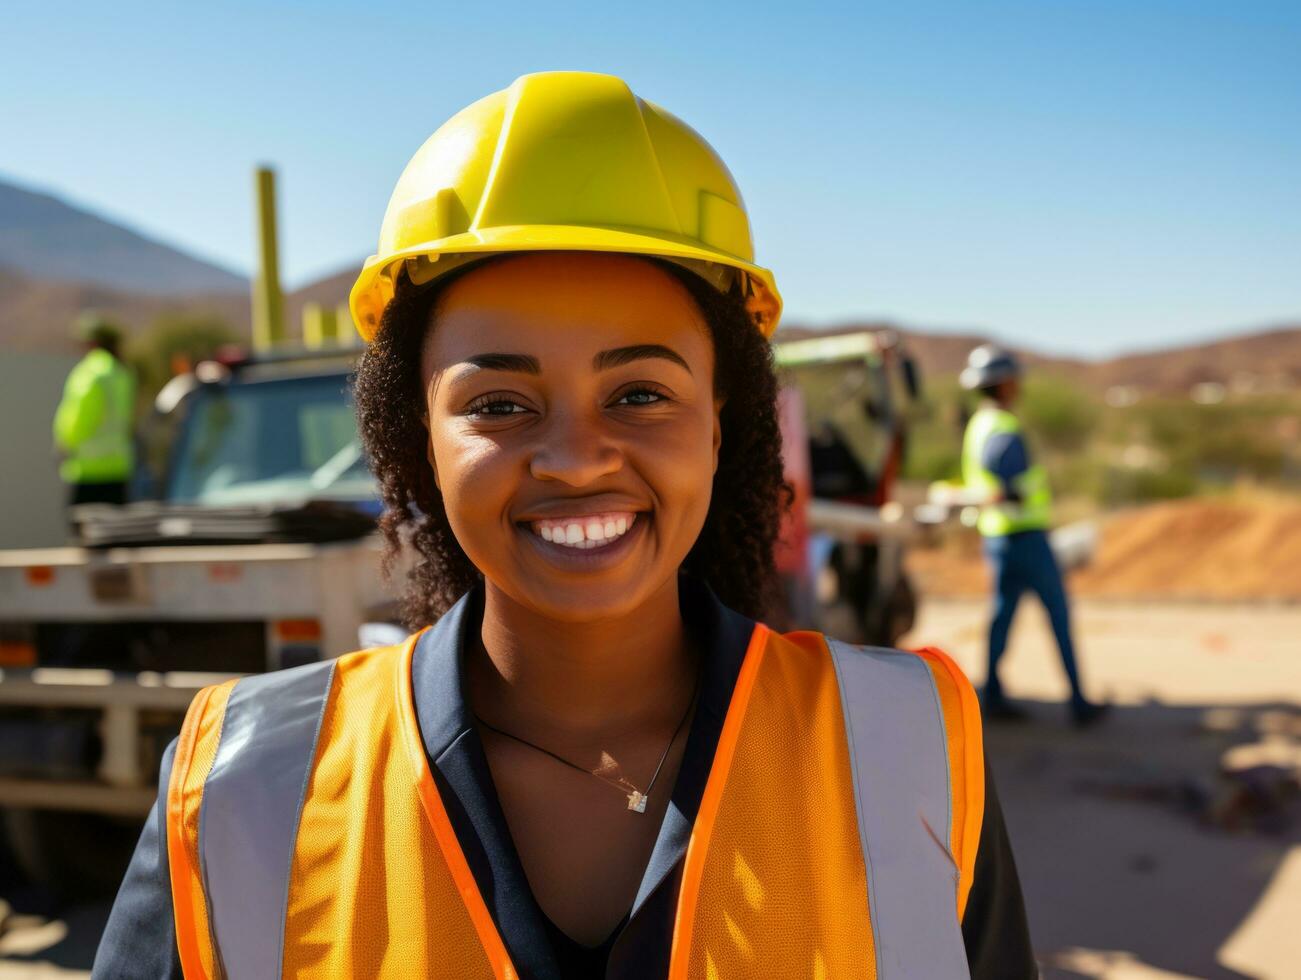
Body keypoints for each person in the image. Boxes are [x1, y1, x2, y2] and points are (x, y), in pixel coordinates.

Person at [94, 72, 1035, 979]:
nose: (576, 459)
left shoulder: (905, 749)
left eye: (638, 393)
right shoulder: (243, 788)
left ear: (722, 426)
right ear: (416, 439)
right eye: (500, 404)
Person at [958, 344, 1106, 726]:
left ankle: (991, 696)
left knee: (1002, 618)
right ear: (1003, 383)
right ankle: (1078, 702)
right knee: (1057, 614)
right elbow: (1006, 473)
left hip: (999, 538)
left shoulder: (979, 423)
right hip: (1025, 539)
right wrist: (1013, 489)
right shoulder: (1002, 428)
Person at [53, 312, 136, 511]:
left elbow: (79, 417)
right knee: (115, 532)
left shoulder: (91, 372)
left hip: (89, 468)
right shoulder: (121, 371)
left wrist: (64, 444)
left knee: (85, 532)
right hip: (119, 467)